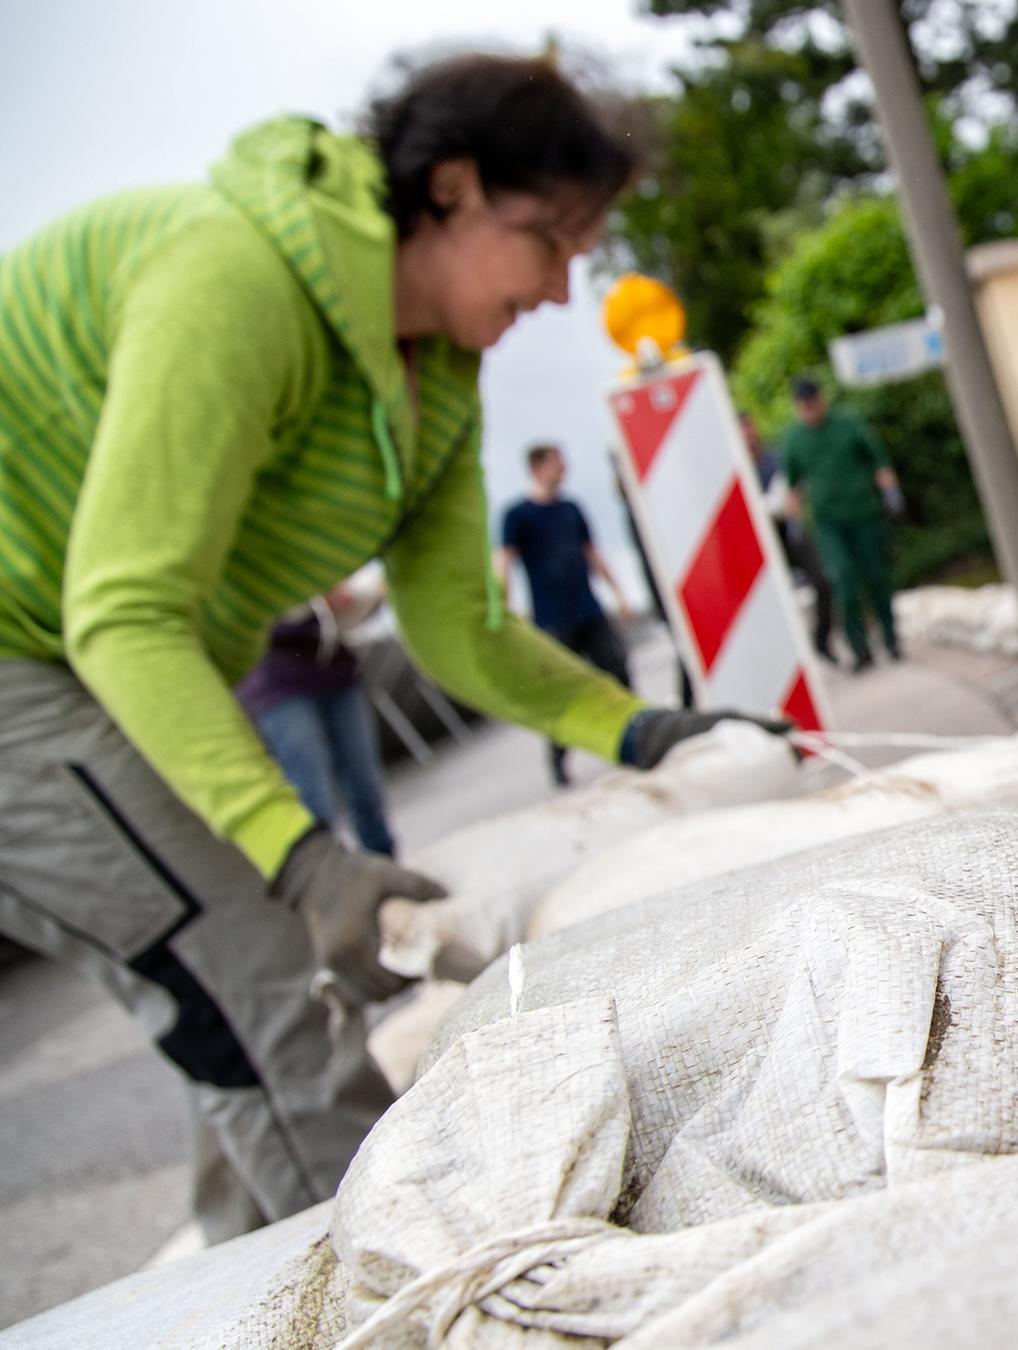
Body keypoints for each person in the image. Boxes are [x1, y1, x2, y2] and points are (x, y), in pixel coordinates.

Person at [0, 53, 783, 1243]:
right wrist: (305, 859)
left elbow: (457, 625)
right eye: (550, 240)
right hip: (33, 669)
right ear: (453, 187)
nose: (567, 292)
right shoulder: (234, 279)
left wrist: (650, 728)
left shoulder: (437, 386)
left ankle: (245, 1296)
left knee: (227, 1014)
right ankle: (420, 1295)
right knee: (262, 973)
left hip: (93, 669)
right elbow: (124, 611)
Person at [497, 442, 638, 784]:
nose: (564, 469)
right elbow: (504, 560)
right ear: (538, 466)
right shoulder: (518, 515)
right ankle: (558, 759)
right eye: (557, 463)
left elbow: (591, 551)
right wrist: (503, 605)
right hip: (552, 617)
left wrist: (619, 592)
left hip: (587, 608)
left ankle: (636, 737)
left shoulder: (571, 508)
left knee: (617, 669)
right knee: (561, 690)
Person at [237, 584, 396, 857]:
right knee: (311, 790)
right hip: (279, 686)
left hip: (336, 673)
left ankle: (384, 861)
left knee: (364, 780)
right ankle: (330, 872)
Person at [774, 377, 903, 672]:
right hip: (828, 524)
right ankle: (860, 650)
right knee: (842, 580)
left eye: (813, 403)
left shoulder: (847, 423)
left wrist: (891, 491)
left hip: (863, 513)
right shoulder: (795, 439)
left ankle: (891, 639)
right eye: (803, 406)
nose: (810, 410)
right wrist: (794, 522)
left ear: (821, 399)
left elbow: (878, 460)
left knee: (876, 577)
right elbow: (792, 486)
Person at [745, 412, 837, 665]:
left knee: (822, 581)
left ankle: (821, 641)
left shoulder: (775, 458)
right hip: (762, 542)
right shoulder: (738, 469)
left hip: (790, 531)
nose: (750, 436)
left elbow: (796, 485)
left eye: (751, 429)